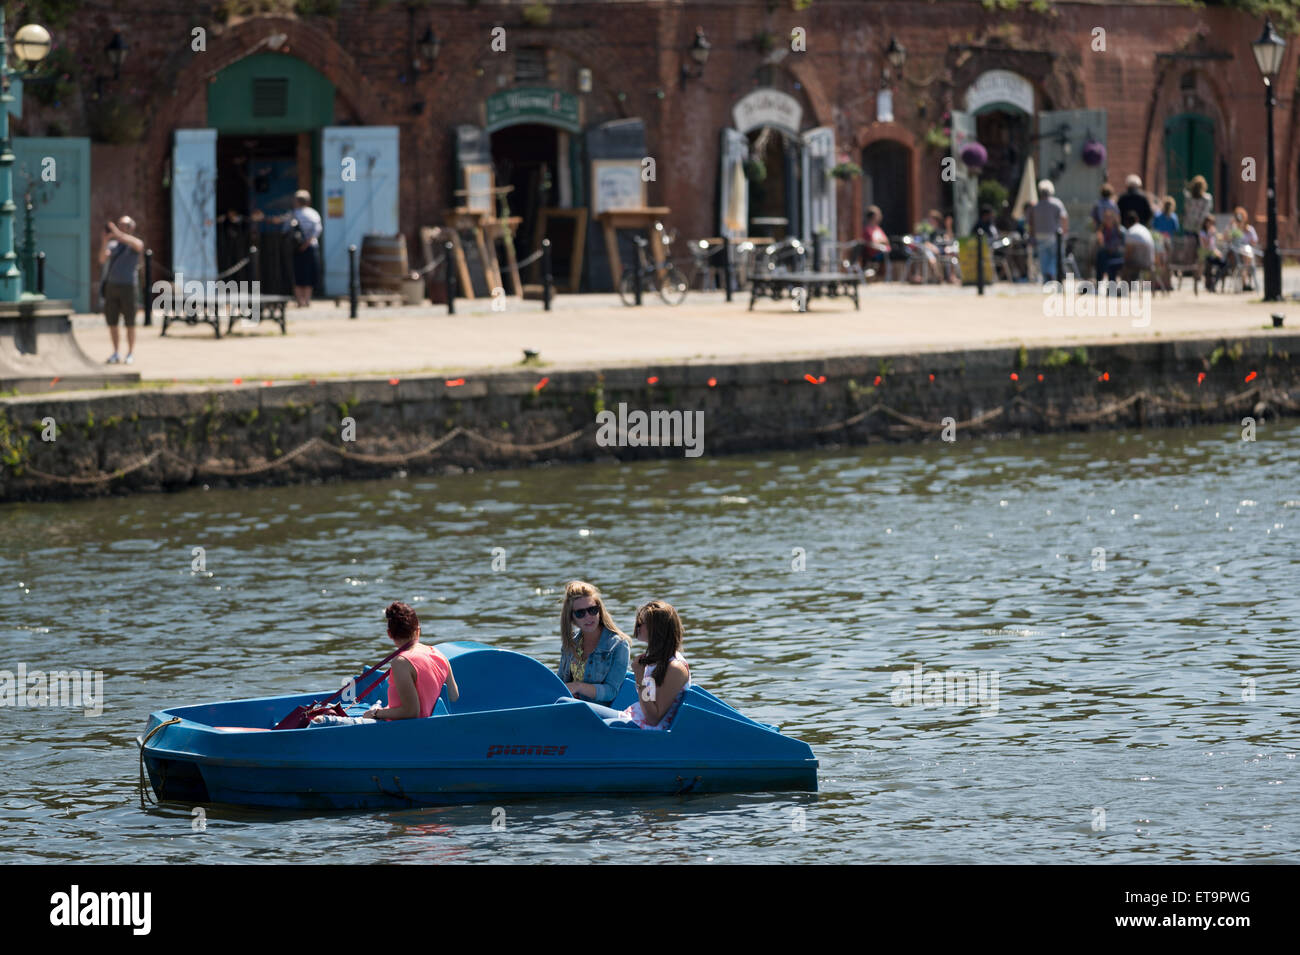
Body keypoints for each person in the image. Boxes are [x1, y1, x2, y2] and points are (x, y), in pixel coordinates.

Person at [310, 601, 459, 726]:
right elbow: (453, 695)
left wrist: (376, 713)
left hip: (401, 728)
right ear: (418, 630)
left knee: (321, 721)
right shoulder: (439, 654)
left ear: (389, 634)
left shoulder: (401, 662)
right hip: (420, 725)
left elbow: (411, 711)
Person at [619, 600, 692, 731]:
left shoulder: (675, 668)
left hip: (646, 730)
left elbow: (653, 719)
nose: (637, 627)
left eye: (641, 623)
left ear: (657, 629)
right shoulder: (655, 660)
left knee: (584, 720)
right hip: (632, 719)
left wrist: (640, 679)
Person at [557, 580, 630, 705]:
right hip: (572, 708)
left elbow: (611, 691)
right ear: (571, 618)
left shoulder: (618, 645)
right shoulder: (570, 646)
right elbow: (560, 682)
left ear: (600, 611)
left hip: (603, 714)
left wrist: (578, 686)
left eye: (592, 610)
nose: (588, 617)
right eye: (580, 613)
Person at [99, 216, 143, 365]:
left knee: (130, 322)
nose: (120, 227)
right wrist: (105, 240)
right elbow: (101, 259)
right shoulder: (113, 245)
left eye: (124, 225)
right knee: (112, 322)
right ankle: (116, 352)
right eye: (119, 225)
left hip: (129, 287)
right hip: (112, 286)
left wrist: (118, 234)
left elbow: (139, 246)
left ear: (132, 227)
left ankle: (130, 353)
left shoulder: (134, 243)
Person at [1028, 179, 1069, 281]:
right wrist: (1065, 232)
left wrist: (1032, 235)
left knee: (1043, 259)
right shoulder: (1056, 203)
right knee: (1055, 257)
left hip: (1039, 235)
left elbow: (1031, 223)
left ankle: (1046, 278)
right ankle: (1051, 272)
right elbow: (1064, 218)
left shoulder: (1035, 206)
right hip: (1054, 236)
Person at [290, 189, 322, 307]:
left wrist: (301, 244)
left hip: (296, 248)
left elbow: (286, 229)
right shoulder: (314, 213)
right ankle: (307, 300)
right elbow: (317, 230)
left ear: (297, 201)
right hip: (311, 247)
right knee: (309, 274)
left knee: (297, 274)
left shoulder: (294, 214)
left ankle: (299, 301)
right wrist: (307, 243)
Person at [1226, 207, 1259, 292]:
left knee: (1247, 253)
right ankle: (1245, 282)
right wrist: (1230, 225)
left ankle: (1245, 281)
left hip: (1248, 253)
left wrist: (1248, 233)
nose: (1240, 220)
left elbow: (1254, 241)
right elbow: (1226, 238)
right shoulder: (1234, 230)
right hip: (1237, 255)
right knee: (1245, 255)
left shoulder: (1250, 229)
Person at [1094, 206, 1126, 283]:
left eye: (1109, 218)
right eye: (1106, 218)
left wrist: (1110, 247)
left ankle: (1110, 284)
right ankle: (1099, 281)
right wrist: (1100, 241)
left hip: (1118, 254)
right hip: (1106, 253)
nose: (1107, 220)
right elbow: (1101, 245)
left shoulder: (1120, 230)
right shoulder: (1102, 230)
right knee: (1101, 256)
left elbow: (1121, 245)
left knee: (1105, 258)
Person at [1198, 215, 1226, 292]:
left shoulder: (1212, 232)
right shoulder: (1202, 233)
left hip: (1213, 253)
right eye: (1209, 223)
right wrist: (1210, 235)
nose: (1210, 225)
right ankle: (1210, 284)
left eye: (1211, 223)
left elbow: (1214, 246)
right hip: (1205, 254)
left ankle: (1214, 283)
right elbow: (1205, 246)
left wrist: (1218, 252)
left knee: (1224, 263)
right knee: (1210, 264)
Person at [1122, 210, 1155, 276]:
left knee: (1124, 265)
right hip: (1150, 262)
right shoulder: (1144, 229)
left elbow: (1128, 254)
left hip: (1140, 263)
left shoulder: (1130, 232)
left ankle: (1124, 285)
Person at [861, 205, 891, 275]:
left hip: (884, 251)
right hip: (875, 254)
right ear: (873, 217)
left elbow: (886, 241)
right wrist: (881, 243)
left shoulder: (878, 228)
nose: (881, 216)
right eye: (878, 214)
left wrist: (881, 242)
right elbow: (871, 242)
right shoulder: (868, 230)